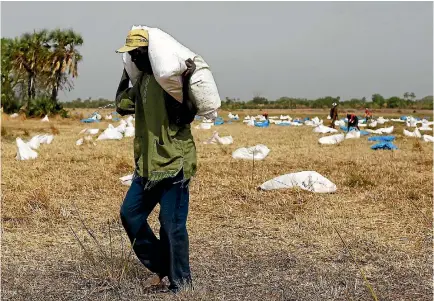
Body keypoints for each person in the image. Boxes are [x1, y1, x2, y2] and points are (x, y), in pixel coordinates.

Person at [115, 29, 197, 293]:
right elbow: (120, 104)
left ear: (150, 53)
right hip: (147, 166)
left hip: (174, 164)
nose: (135, 58)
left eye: (138, 53)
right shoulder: (142, 84)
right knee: (130, 213)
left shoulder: (170, 82)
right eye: (131, 55)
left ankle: (181, 284)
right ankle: (163, 265)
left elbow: (186, 114)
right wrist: (125, 76)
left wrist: (184, 81)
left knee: (172, 226)